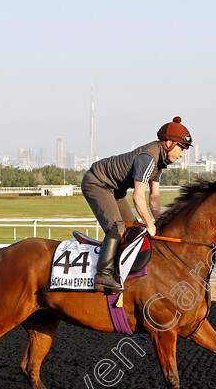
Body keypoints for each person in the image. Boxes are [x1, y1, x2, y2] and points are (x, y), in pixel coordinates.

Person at [81, 116, 191, 293]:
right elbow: (138, 197)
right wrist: (149, 223)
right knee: (117, 227)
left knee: (132, 227)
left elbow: (154, 196)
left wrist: (159, 222)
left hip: (114, 190)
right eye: (181, 148)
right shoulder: (148, 157)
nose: (181, 154)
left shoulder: (159, 162)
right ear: (169, 142)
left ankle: (123, 271)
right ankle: (103, 274)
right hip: (97, 182)